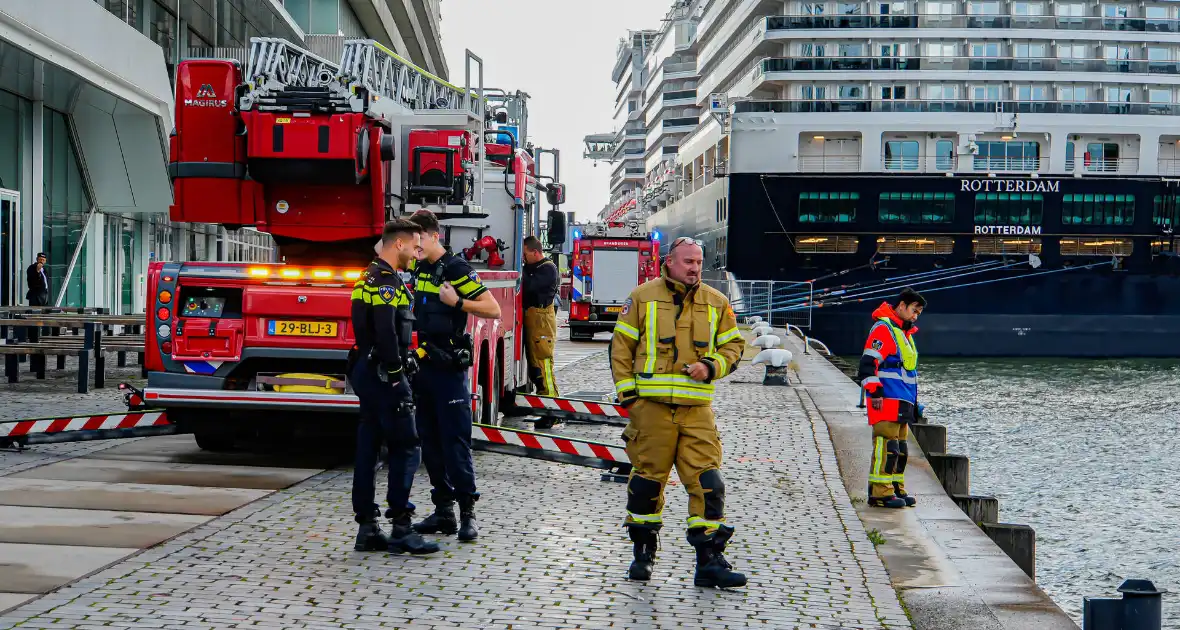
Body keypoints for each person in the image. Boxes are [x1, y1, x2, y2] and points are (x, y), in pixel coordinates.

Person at [609, 236, 747, 588]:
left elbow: (734, 345)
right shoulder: (641, 297)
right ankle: (643, 552)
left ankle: (709, 560)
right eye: (688, 262)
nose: (694, 268)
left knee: (709, 484)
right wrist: (629, 397)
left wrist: (711, 366)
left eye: (699, 262)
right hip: (651, 411)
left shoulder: (716, 302)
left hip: (696, 412)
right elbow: (621, 347)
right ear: (669, 262)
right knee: (645, 485)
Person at [405, 209, 501, 542]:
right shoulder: (419, 269)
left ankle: (467, 514)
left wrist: (457, 302)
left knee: (455, 442)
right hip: (425, 366)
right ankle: (443, 510)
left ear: (434, 236)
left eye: (418, 240)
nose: (414, 247)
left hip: (449, 371)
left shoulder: (456, 269)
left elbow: (492, 308)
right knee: (429, 442)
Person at [349, 218, 439, 555]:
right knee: (407, 446)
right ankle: (401, 527)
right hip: (384, 375)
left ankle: (367, 527)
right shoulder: (386, 281)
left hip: (366, 371)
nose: (418, 254)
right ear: (398, 244)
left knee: (368, 448)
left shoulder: (366, 277)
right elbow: (386, 332)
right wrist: (398, 373)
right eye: (415, 247)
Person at [857, 287, 927, 509]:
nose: (915, 316)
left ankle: (895, 488)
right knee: (886, 446)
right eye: (914, 310)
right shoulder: (884, 329)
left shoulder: (903, 333)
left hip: (902, 400)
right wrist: (875, 392)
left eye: (918, 313)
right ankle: (880, 493)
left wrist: (915, 404)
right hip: (885, 398)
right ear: (902, 305)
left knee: (900, 449)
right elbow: (868, 364)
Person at [521, 236, 560, 397]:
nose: (523, 258)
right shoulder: (535, 267)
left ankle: (552, 403)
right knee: (535, 365)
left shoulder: (548, 268)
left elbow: (529, 287)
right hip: (534, 318)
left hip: (542, 320)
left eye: (525, 254)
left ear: (535, 252)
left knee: (543, 363)